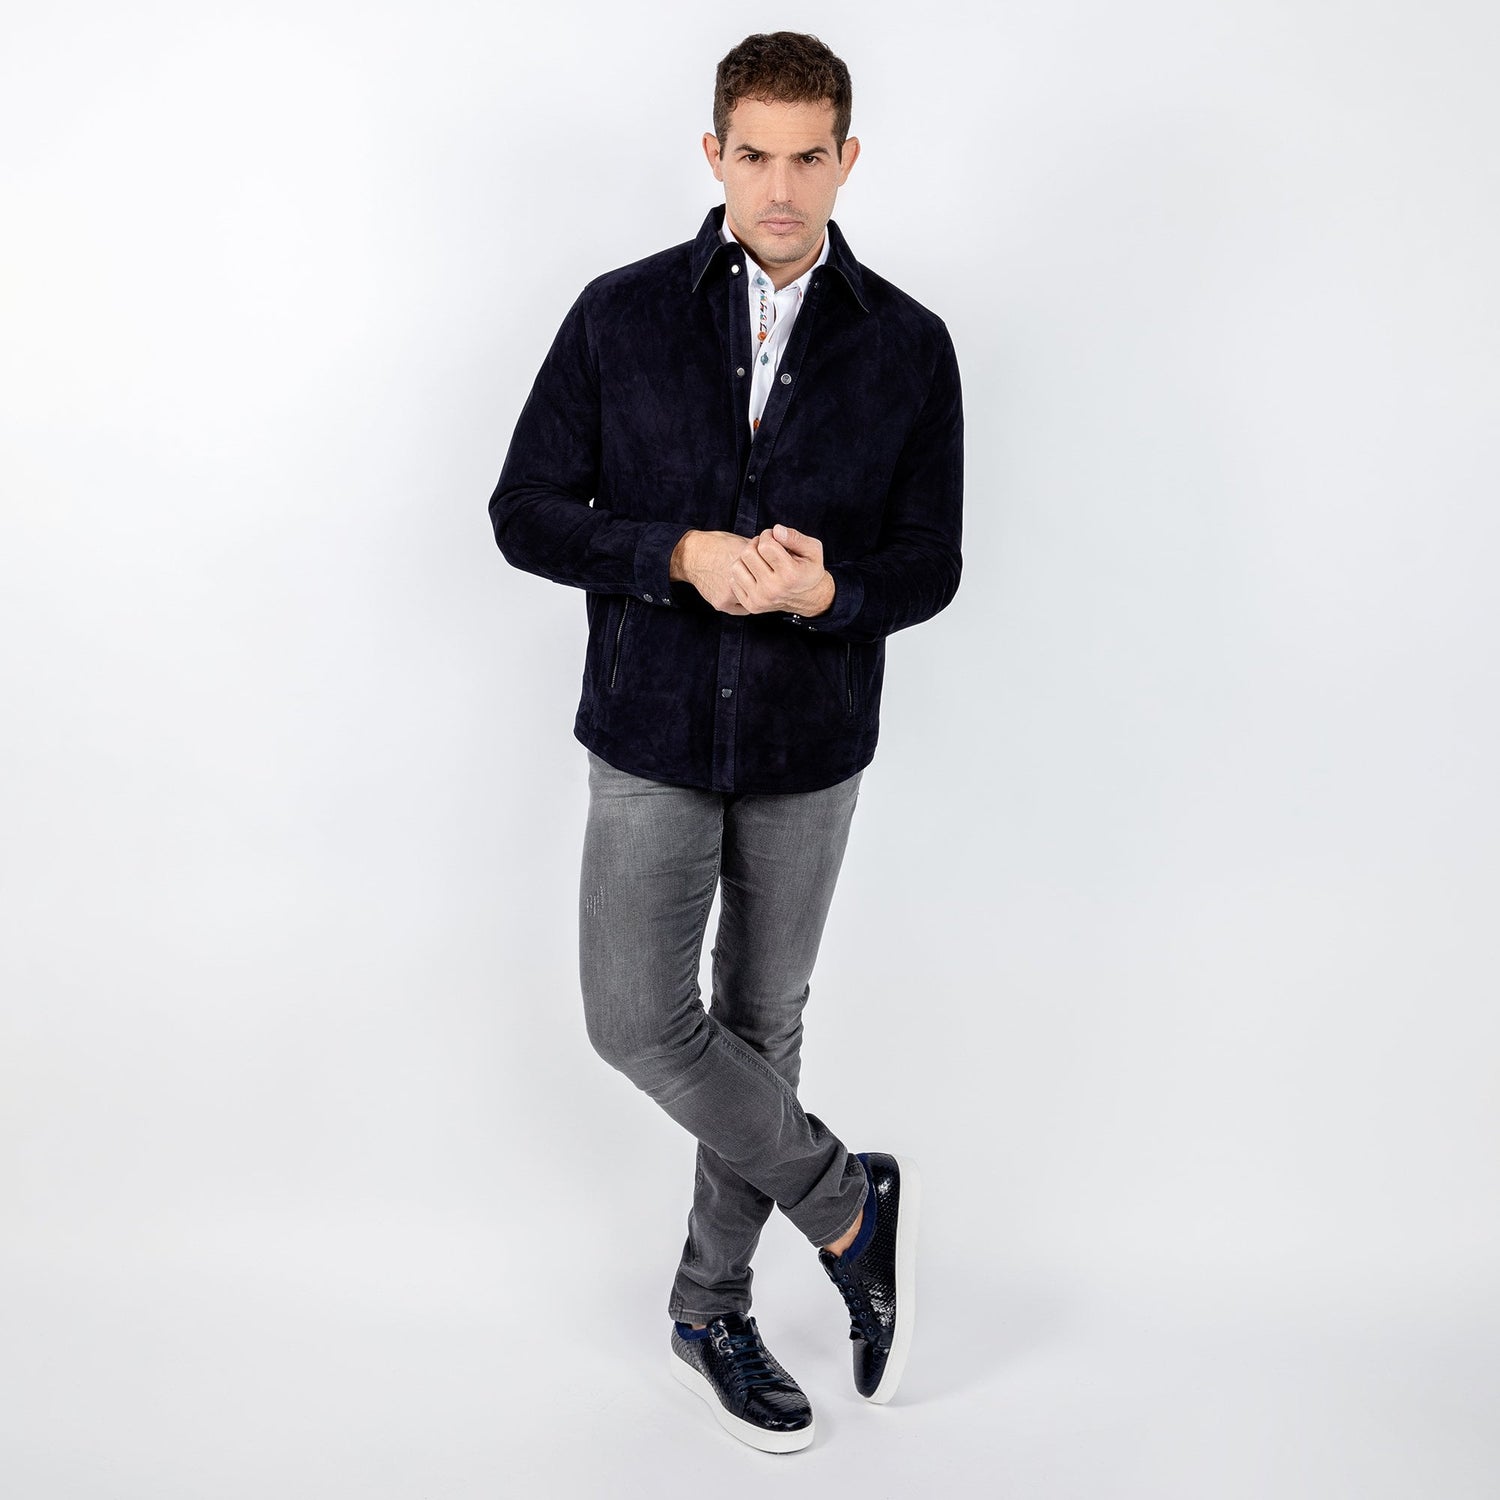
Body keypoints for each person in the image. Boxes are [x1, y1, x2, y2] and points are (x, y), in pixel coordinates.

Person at [488, 31, 963, 1452]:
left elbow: (930, 565)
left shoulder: (909, 345)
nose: (780, 187)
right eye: (753, 154)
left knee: (761, 1026)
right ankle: (848, 1202)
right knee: (635, 1019)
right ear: (714, 153)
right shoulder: (620, 314)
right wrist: (678, 554)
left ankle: (711, 1310)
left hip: (813, 742)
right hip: (650, 725)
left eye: (808, 157)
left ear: (848, 159)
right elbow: (525, 511)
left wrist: (831, 593)